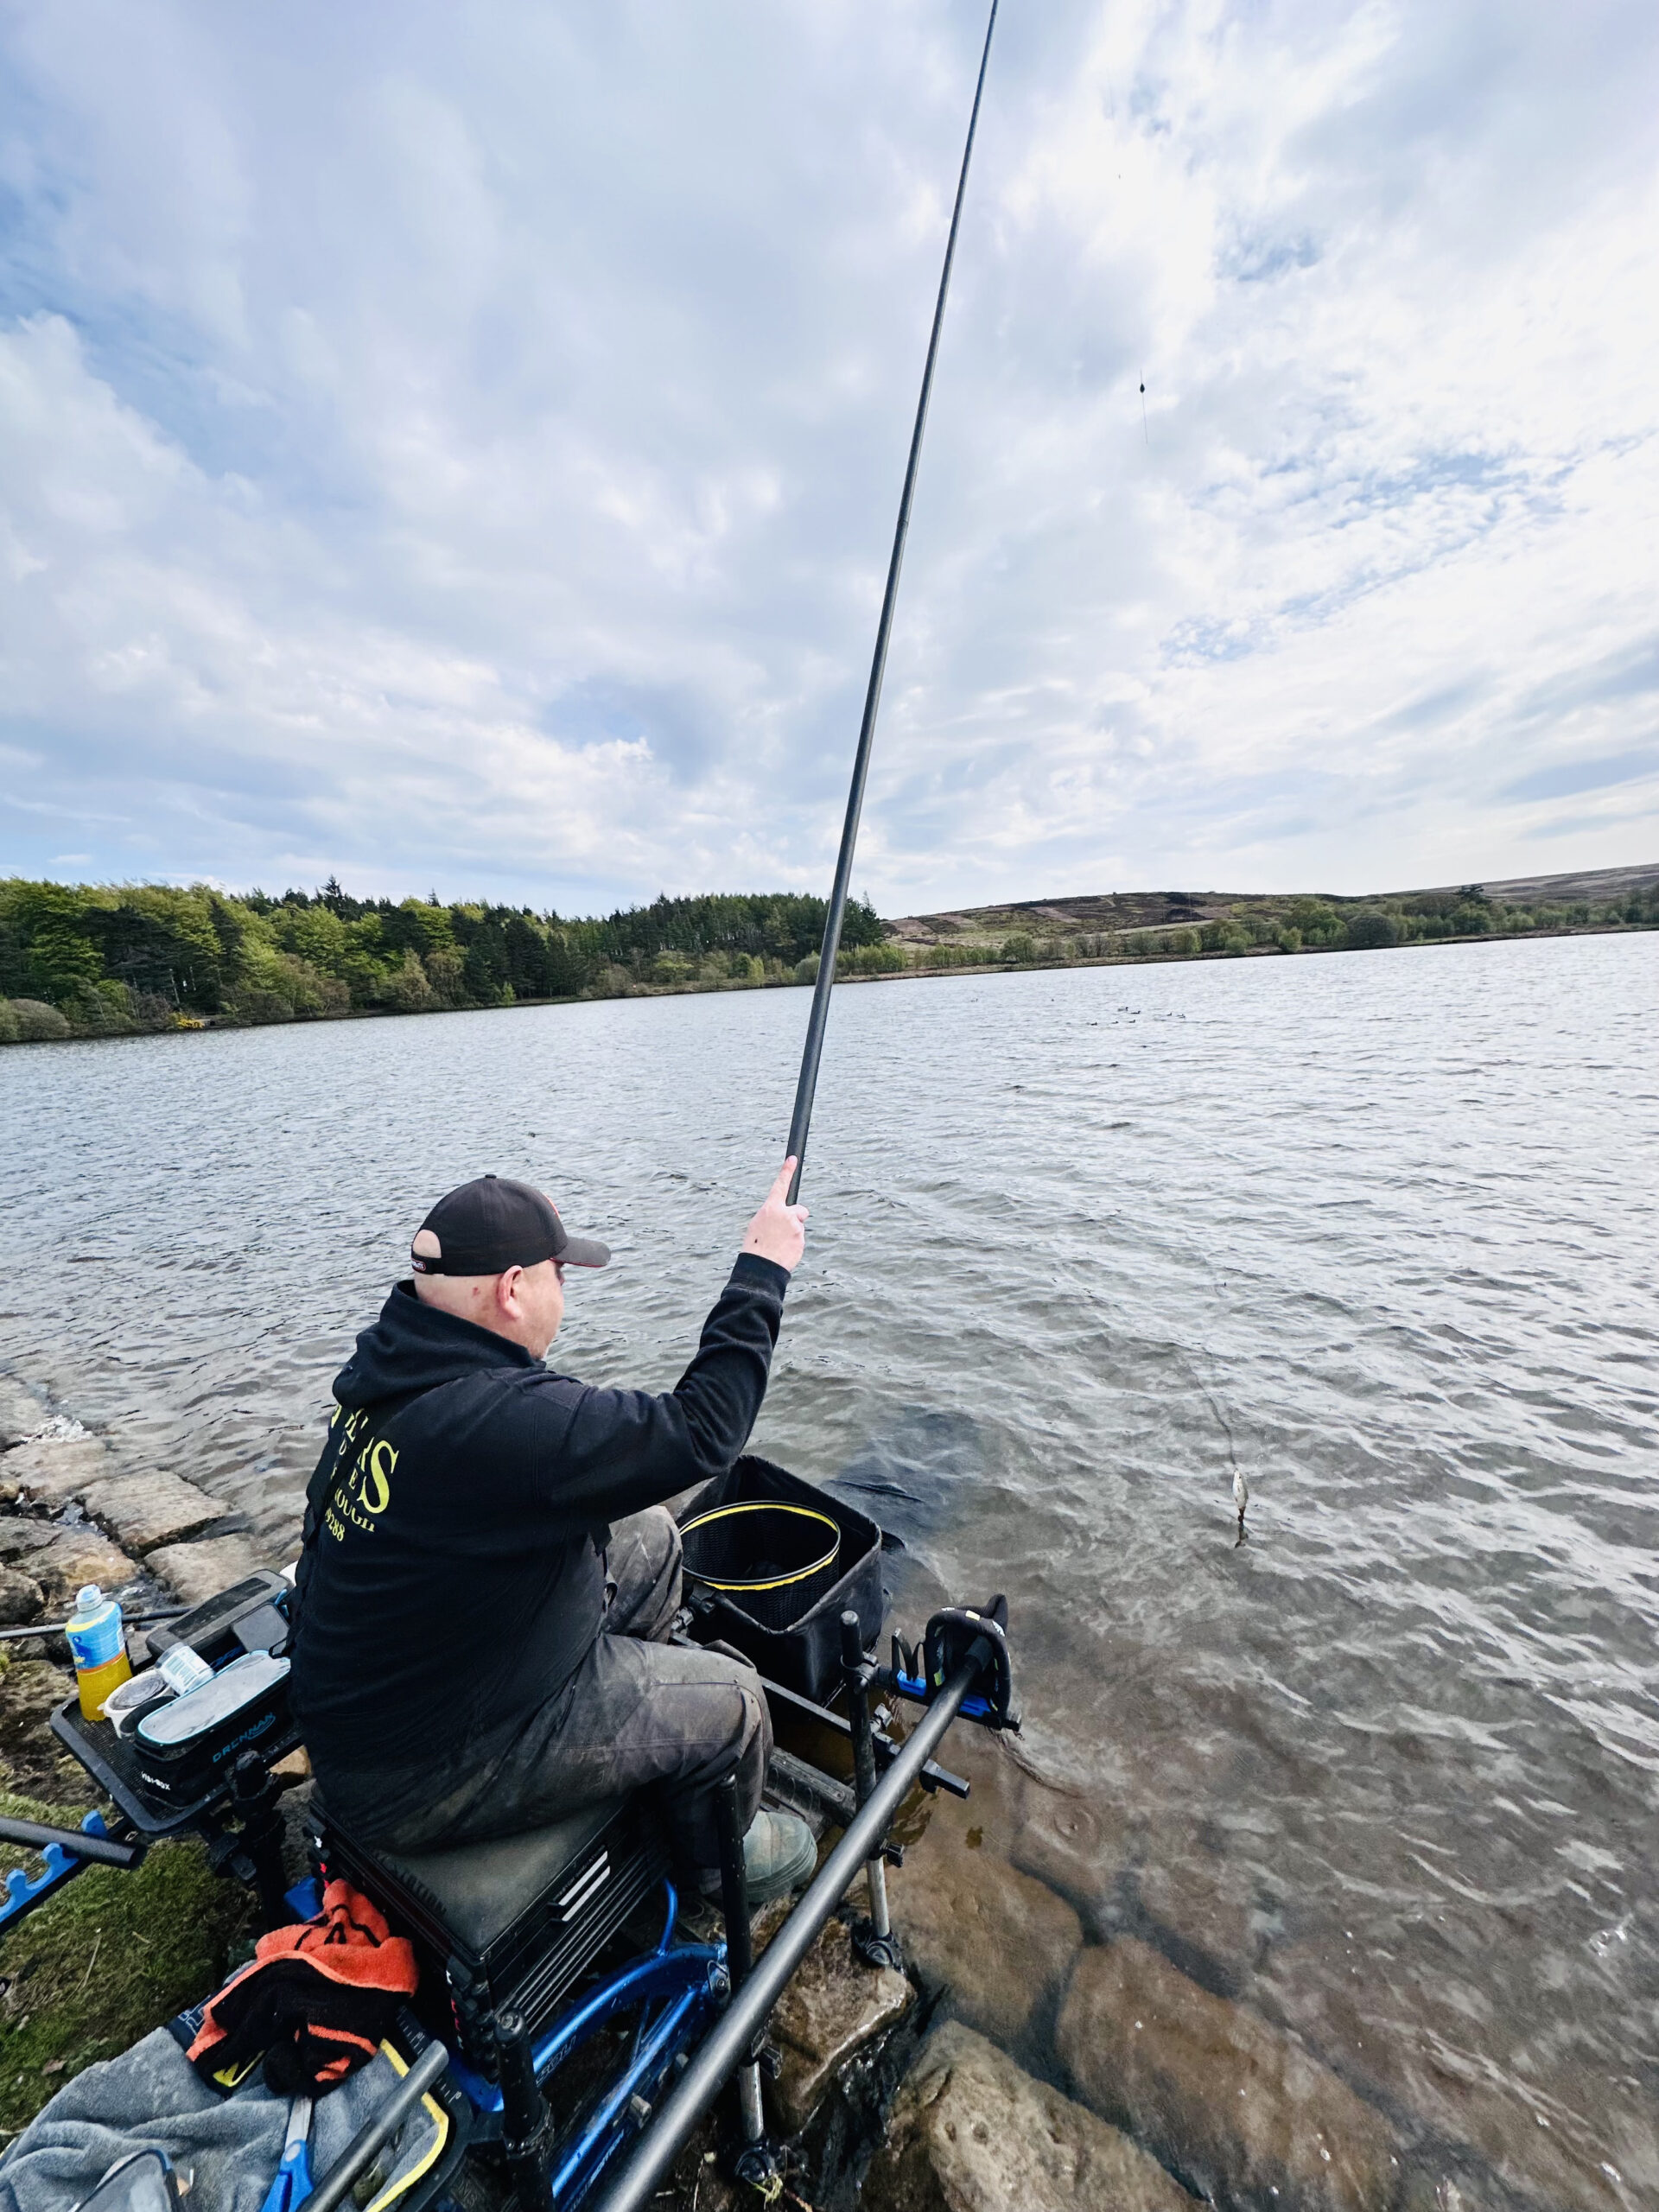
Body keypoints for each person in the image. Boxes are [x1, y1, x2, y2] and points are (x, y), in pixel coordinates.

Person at [288, 1160, 818, 1903]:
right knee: (735, 1702)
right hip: (425, 1774)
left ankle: (647, 1740)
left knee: (650, 1537)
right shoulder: (495, 1422)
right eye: (558, 1275)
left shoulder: (395, 1363)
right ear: (511, 1289)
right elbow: (704, 1432)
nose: (564, 1292)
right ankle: (714, 1864)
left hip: (396, 1702)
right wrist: (762, 1268)